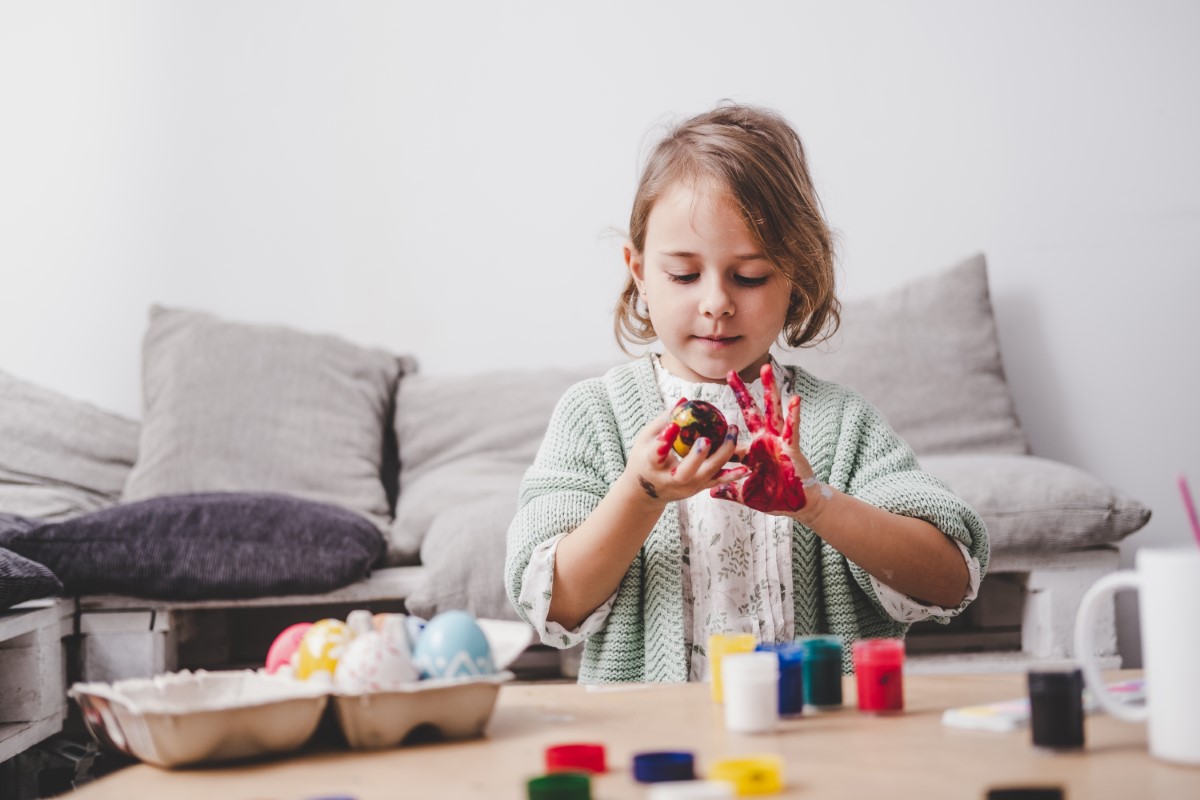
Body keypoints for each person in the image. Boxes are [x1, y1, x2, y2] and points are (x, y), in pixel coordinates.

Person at [505, 102, 988, 683]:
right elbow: (551, 604)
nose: (716, 302)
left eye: (751, 275)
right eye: (684, 275)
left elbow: (952, 579)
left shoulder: (839, 423)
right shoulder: (597, 417)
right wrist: (641, 493)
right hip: (659, 748)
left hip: (818, 740)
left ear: (796, 277)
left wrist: (816, 502)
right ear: (638, 270)